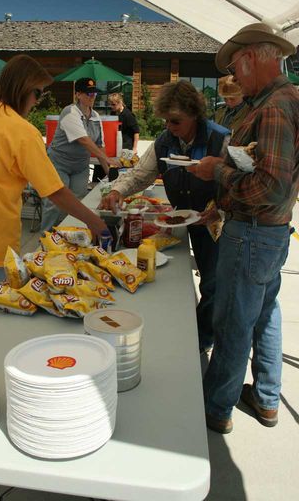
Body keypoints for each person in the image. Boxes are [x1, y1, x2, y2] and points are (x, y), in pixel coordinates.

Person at [189, 22, 299, 434]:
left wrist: (218, 171)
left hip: (253, 232)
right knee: (266, 313)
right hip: (271, 231)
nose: (233, 77)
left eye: (236, 66)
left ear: (252, 57)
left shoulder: (272, 108)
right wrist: (221, 204)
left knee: (233, 322)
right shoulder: (283, 100)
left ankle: (216, 408)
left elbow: (270, 186)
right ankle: (268, 399)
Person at [0, 56, 108, 327]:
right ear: (24, 89)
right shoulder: (21, 131)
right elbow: (55, 191)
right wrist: (96, 222)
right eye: (38, 95)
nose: (36, 102)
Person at [100, 80, 230, 352]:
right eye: (166, 121)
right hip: (181, 219)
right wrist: (117, 191)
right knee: (175, 284)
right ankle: (182, 332)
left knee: (214, 284)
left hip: (214, 223)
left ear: (194, 114)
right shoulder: (164, 141)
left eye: (176, 121)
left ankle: (201, 341)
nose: (170, 127)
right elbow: (141, 174)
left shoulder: (221, 139)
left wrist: (221, 207)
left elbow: (239, 183)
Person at [40, 77, 116, 233]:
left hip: (80, 166)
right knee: (54, 203)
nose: (92, 96)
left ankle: (71, 236)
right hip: (59, 163)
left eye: (94, 93)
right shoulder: (70, 112)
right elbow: (84, 140)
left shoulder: (95, 116)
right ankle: (44, 238)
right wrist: (108, 159)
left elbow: (100, 146)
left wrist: (110, 173)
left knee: (78, 202)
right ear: (78, 95)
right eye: (88, 93)